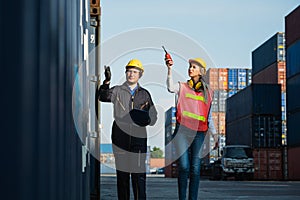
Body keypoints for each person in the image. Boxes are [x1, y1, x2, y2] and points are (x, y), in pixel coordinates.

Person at [97, 59, 158, 200]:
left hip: (139, 136)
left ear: (140, 75)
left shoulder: (145, 94)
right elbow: (102, 96)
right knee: (123, 175)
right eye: (129, 71)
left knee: (138, 175)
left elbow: (153, 116)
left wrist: (147, 119)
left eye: (135, 72)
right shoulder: (117, 90)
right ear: (126, 73)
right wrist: (106, 82)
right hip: (120, 135)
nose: (131, 74)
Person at [165, 57, 218, 200]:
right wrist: (169, 69)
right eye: (190, 66)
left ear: (201, 71)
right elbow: (170, 87)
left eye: (194, 67)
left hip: (199, 133)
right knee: (184, 166)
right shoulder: (181, 87)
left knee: (195, 168)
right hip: (182, 131)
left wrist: (214, 134)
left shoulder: (209, 93)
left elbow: (209, 116)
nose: (190, 69)